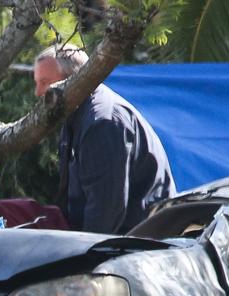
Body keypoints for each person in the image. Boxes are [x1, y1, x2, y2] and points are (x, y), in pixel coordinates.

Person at [33, 46, 175, 234]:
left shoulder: (102, 123)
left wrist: (81, 257)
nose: (38, 92)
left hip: (141, 241)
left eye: (45, 82)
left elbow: (106, 208)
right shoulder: (75, 114)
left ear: (74, 79)